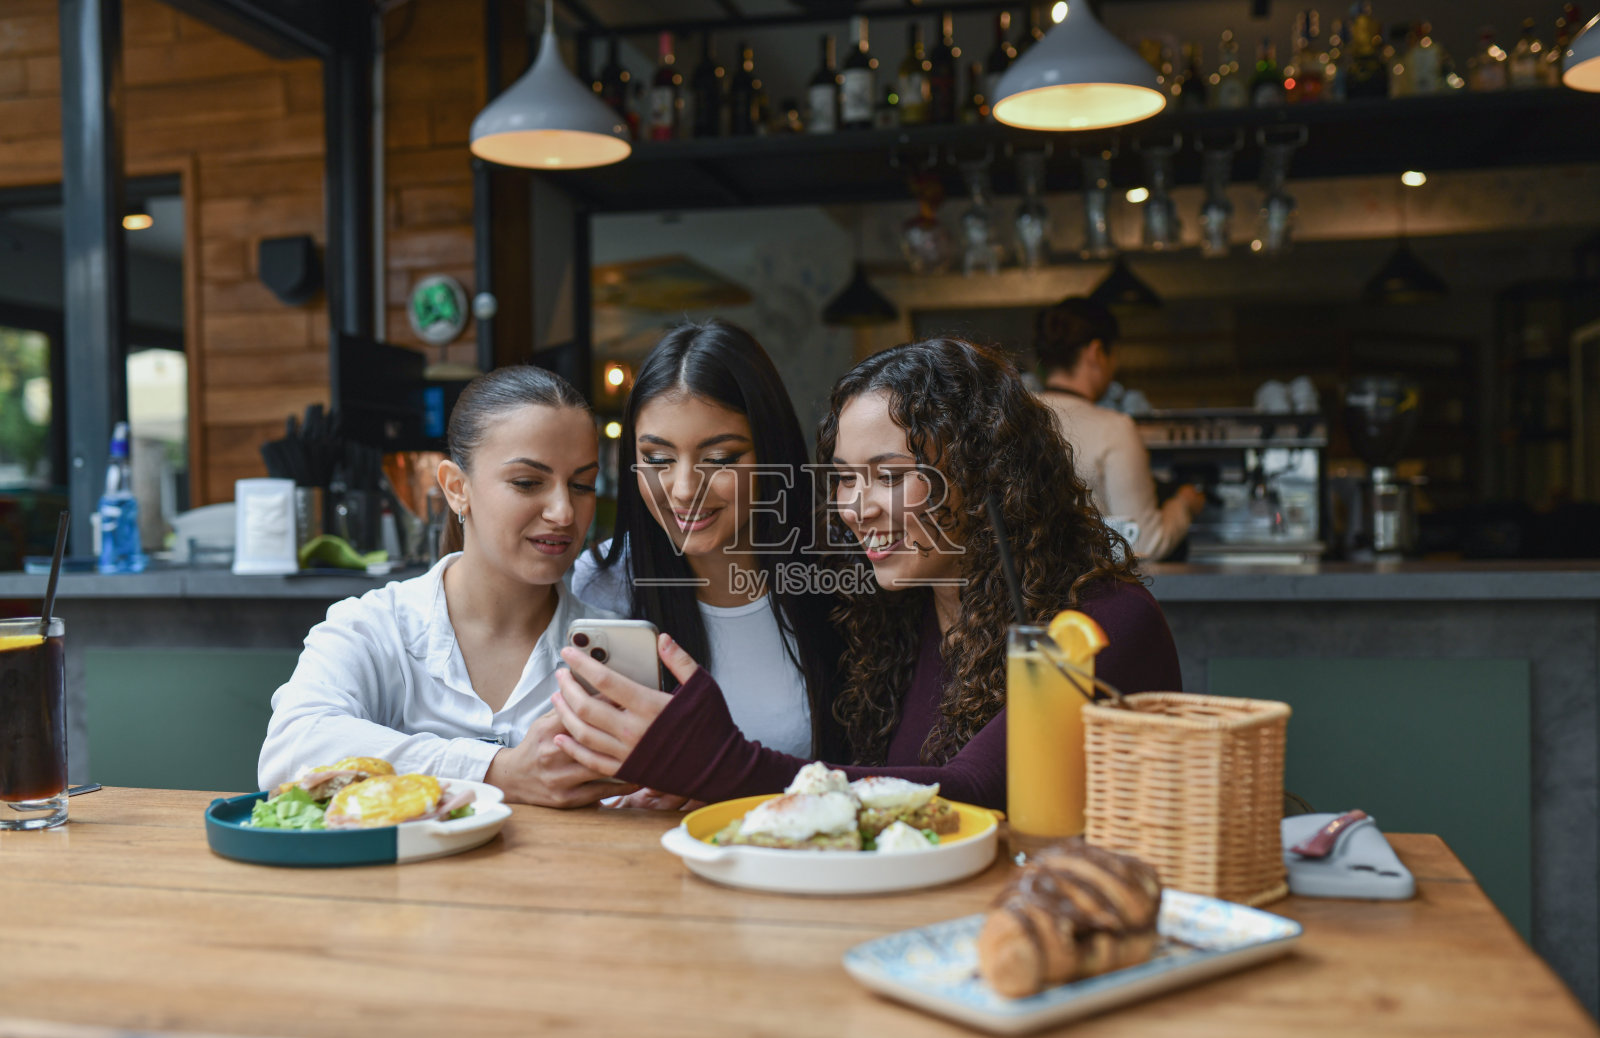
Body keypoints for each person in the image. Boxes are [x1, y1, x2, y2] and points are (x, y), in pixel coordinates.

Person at [547, 338, 1182, 811]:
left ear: (989, 475)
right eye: (846, 478)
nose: (856, 507)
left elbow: (976, 789)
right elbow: (872, 792)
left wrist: (721, 764)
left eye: (890, 475)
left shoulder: (1105, 625)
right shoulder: (895, 618)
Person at [258, 365, 633, 809]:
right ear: (457, 488)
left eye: (581, 485)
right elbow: (290, 751)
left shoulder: (613, 651)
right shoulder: (376, 626)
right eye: (528, 482)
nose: (564, 512)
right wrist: (497, 771)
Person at [571, 321, 841, 780]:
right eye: (657, 460)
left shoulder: (836, 577)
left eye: (718, 459)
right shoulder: (602, 582)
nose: (683, 489)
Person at [1034, 297, 1204, 561]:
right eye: (1114, 355)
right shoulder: (1113, 429)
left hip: (1023, 593)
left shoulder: (1014, 418)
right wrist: (1184, 505)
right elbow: (1145, 543)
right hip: (1087, 594)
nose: (1114, 367)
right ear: (1096, 352)